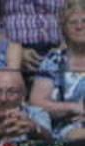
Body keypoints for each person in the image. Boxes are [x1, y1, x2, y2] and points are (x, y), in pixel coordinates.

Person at [29, 0, 85, 138]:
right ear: (63, 28)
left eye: (84, 21)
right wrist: (75, 108)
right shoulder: (54, 60)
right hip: (67, 128)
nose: (79, 26)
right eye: (73, 22)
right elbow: (37, 102)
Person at [4, 0, 65, 71]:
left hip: (58, 49)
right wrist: (13, 53)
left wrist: (64, 48)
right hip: (15, 50)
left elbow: (73, 10)